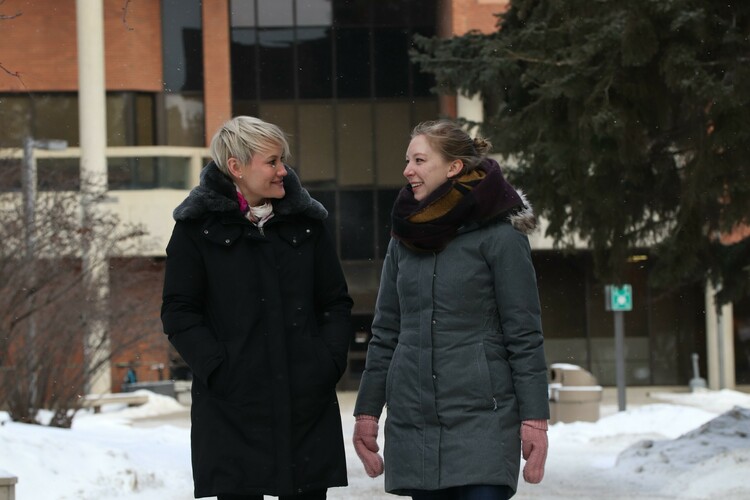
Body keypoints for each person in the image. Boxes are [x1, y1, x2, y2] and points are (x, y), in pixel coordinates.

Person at [352, 120, 550, 500]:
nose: (408, 170)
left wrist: (534, 420)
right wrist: (367, 414)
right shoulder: (404, 237)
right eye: (407, 160)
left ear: (453, 167)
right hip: (414, 421)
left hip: (484, 423)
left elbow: (523, 334)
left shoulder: (501, 235)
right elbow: (386, 334)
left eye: (420, 160)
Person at [161, 116, 353, 500]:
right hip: (232, 410)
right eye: (272, 161)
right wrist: (219, 368)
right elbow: (179, 311)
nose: (283, 170)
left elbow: (334, 302)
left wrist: (326, 362)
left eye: (282, 160)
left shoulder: (308, 223)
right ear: (237, 167)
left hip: (306, 406)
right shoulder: (196, 228)